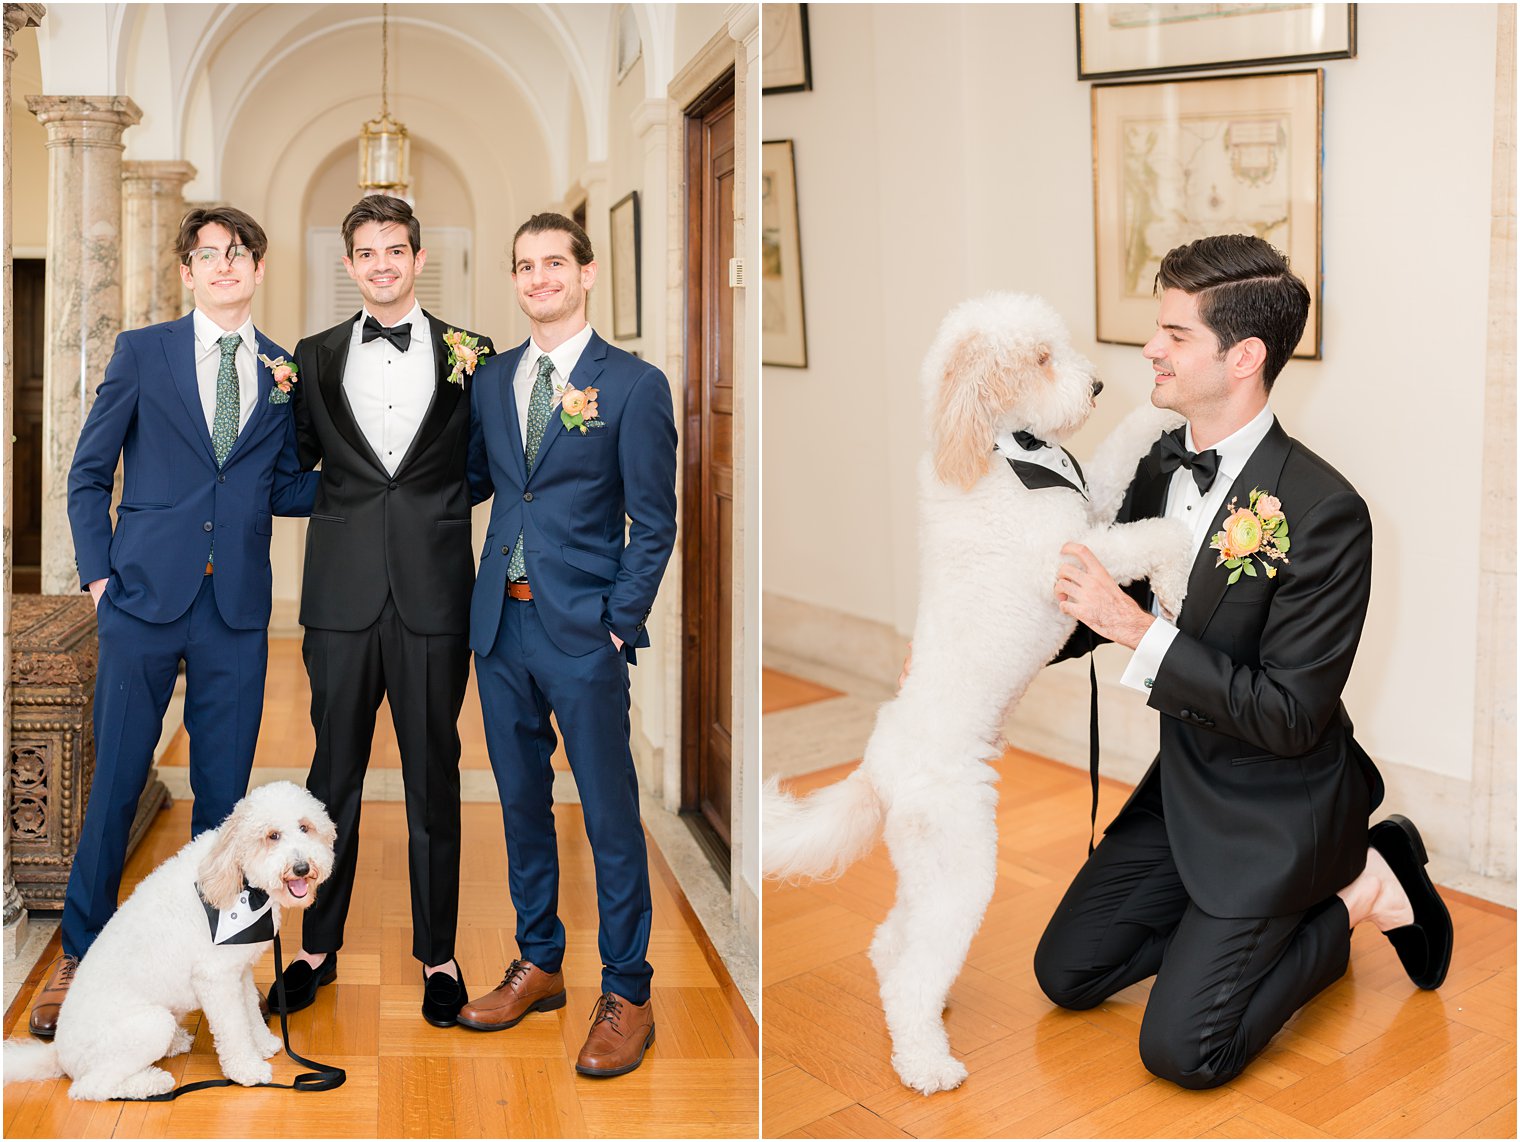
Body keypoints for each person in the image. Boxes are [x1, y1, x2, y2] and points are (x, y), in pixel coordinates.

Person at [1034, 233, 1453, 1088]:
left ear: (1244, 357)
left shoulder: (1327, 511)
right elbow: (1106, 608)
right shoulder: (1162, 459)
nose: (1151, 347)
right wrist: (976, 661)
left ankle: (1362, 888)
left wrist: (1134, 629)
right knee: (1066, 976)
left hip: (1278, 808)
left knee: (1184, 1055)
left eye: (1175, 334)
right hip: (1186, 786)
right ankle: (1225, 927)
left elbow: (1291, 716)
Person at [36, 206, 318, 1037]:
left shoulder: (283, 371)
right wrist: (97, 579)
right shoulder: (142, 353)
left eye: (239, 253)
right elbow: (88, 475)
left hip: (234, 610)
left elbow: (287, 485)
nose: (224, 265)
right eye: (208, 254)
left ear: (259, 269)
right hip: (139, 604)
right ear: (187, 271)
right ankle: (81, 957)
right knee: (117, 784)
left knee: (226, 807)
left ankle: (219, 969)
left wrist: (375, 472)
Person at [457, 213, 677, 1078]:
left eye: (555, 263)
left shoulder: (632, 384)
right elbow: (482, 482)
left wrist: (617, 620)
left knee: (610, 816)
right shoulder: (495, 379)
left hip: (583, 631)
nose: (539, 277)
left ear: (586, 274)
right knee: (519, 805)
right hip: (499, 626)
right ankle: (539, 962)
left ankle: (628, 987)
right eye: (525, 266)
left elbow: (653, 520)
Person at [267, 195, 493, 1028]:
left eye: (396, 250)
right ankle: (316, 950)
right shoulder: (314, 356)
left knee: (435, 779)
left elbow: (483, 466)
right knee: (332, 780)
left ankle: (439, 954)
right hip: (340, 596)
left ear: (418, 258)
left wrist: (425, 511)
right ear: (350, 263)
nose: (383, 264)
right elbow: (297, 463)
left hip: (436, 595)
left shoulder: (473, 353)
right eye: (367, 252)